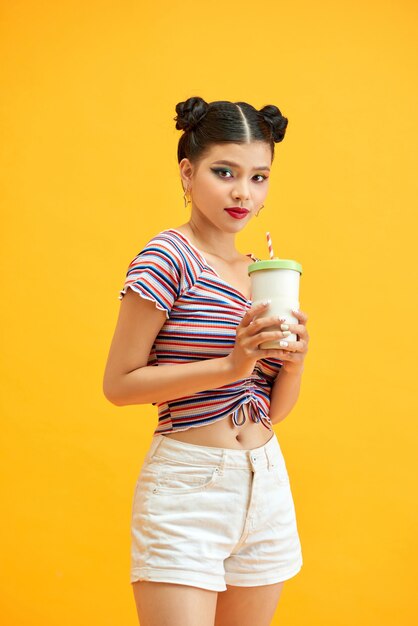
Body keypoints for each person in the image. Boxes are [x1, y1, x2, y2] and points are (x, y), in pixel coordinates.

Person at [103, 96, 310, 626]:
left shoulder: (262, 272)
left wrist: (295, 362)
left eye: (259, 177)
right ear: (188, 172)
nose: (244, 192)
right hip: (188, 488)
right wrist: (231, 364)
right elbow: (120, 383)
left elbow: (271, 411)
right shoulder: (168, 256)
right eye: (225, 172)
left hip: (265, 482)